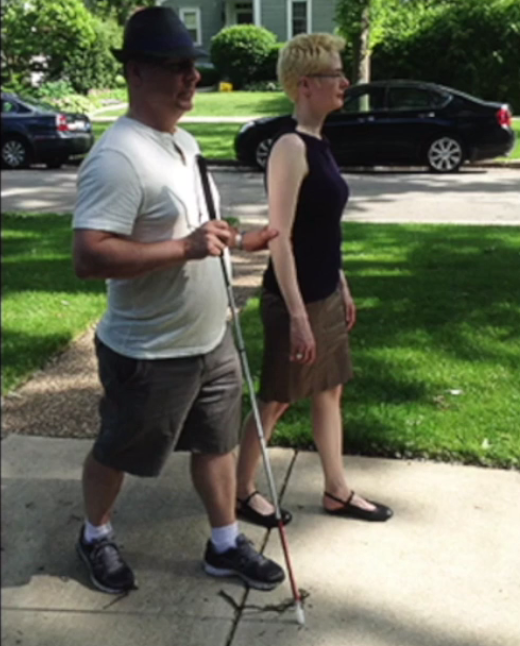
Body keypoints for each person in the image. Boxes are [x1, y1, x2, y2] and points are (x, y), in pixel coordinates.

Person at [72, 6, 285, 595]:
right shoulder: (117, 157)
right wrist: (184, 249)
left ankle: (223, 544)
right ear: (136, 72)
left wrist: (238, 239)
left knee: (216, 445)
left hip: (210, 335)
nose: (191, 79)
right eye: (175, 68)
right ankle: (95, 534)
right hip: (150, 347)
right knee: (120, 451)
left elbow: (196, 227)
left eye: (192, 67)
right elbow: (89, 256)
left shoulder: (183, 141)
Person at [235, 34, 393, 528]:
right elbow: (279, 238)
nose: (345, 82)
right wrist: (299, 316)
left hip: (324, 292)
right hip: (293, 301)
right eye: (335, 75)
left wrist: (340, 284)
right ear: (305, 85)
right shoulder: (289, 147)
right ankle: (241, 491)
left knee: (330, 390)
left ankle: (336, 490)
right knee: (277, 398)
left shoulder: (320, 142)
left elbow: (320, 227)